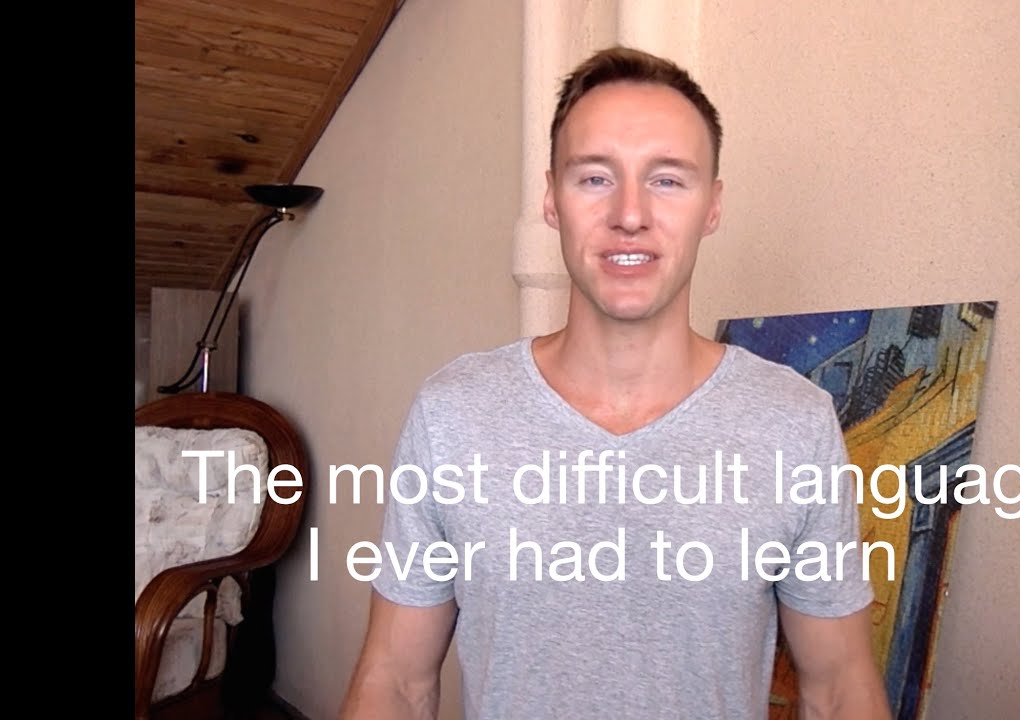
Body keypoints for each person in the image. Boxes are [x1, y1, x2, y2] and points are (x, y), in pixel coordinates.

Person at [339, 45, 892, 720]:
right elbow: (396, 681)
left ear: (712, 207)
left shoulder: (794, 425)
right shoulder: (453, 415)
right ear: (552, 199)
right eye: (595, 177)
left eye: (668, 180)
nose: (630, 214)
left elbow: (838, 690)